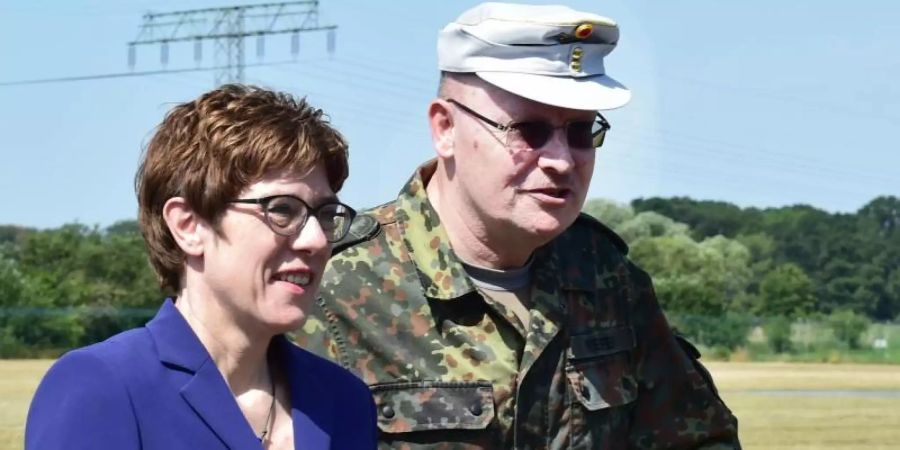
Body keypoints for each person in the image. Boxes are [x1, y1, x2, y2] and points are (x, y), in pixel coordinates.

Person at [296, 3, 740, 449]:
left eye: (581, 132)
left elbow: (700, 437)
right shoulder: (334, 288)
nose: (562, 160)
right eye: (529, 131)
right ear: (445, 127)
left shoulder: (604, 278)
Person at [26, 85, 377, 450]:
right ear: (188, 226)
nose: (316, 240)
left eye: (324, 215)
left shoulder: (344, 401)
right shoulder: (102, 389)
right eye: (283, 210)